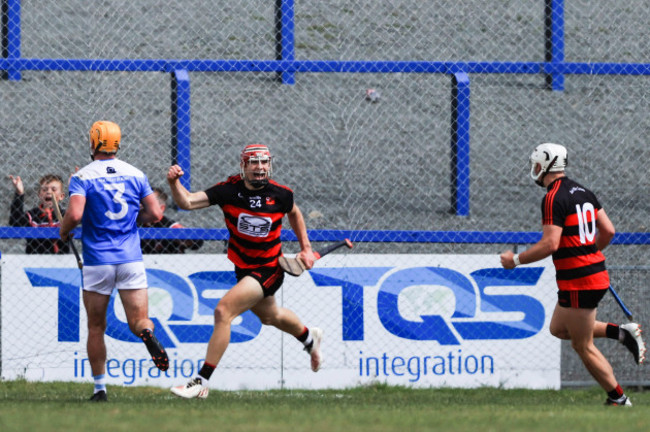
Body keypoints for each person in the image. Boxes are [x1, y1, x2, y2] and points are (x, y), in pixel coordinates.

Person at [167, 143, 322, 399]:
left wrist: (306, 248)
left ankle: (201, 382)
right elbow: (188, 201)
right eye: (253, 162)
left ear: (269, 165)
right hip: (244, 268)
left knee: (223, 311)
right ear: (243, 166)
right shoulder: (228, 191)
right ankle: (310, 339)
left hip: (269, 268)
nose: (260, 167)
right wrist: (173, 183)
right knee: (271, 316)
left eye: (264, 162)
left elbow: (294, 213)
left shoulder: (281, 194)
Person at [500, 143, 647, 406]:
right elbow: (609, 231)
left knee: (582, 345)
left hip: (580, 280)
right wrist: (589, 252)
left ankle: (619, 399)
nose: (534, 169)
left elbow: (550, 244)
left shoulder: (553, 197)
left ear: (544, 165)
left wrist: (516, 260)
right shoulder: (583, 191)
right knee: (559, 328)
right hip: (588, 275)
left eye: (535, 164)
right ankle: (621, 333)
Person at [59, 120, 170, 402]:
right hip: (130, 259)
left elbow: (74, 216)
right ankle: (146, 332)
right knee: (139, 319)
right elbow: (156, 214)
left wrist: (62, 231)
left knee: (96, 327)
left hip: (98, 261)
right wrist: (135, 221)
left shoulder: (82, 177)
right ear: (117, 143)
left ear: (93, 142)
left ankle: (100, 389)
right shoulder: (135, 174)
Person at [9, 173, 71, 254]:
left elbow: (81, 216)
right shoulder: (32, 215)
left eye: (53, 189)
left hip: (62, 261)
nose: (49, 192)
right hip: (35, 260)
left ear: (61, 196)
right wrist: (19, 194)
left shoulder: (65, 215)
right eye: (44, 189)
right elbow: (15, 221)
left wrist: (75, 190)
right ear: (39, 195)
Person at [139, 187, 204, 254]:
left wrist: (181, 236)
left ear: (161, 208)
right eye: (141, 201)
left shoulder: (168, 225)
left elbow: (197, 242)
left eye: (149, 203)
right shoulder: (135, 222)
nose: (141, 205)